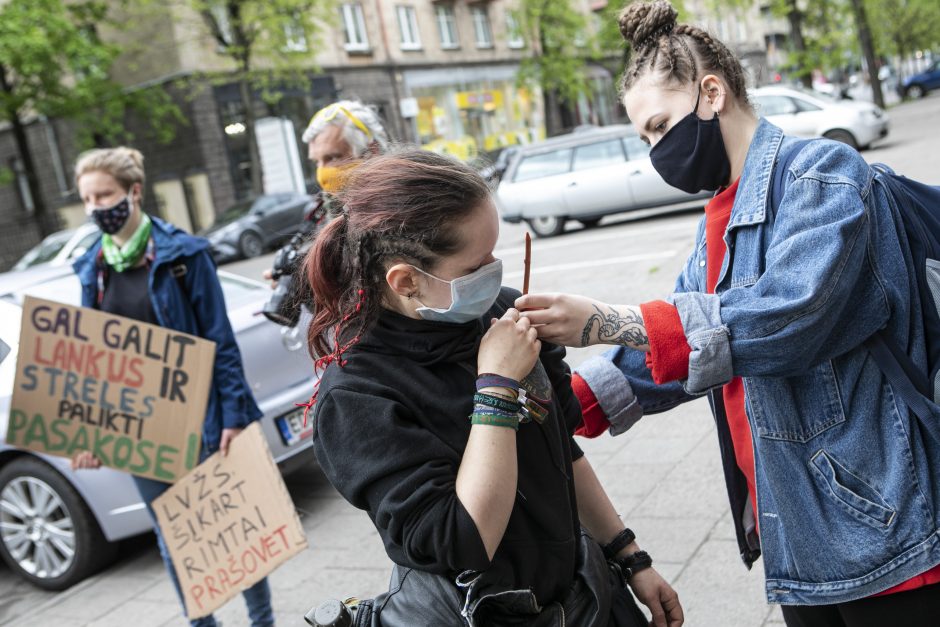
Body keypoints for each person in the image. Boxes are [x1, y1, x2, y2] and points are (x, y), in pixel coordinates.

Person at [514, 2, 940, 626]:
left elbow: (789, 317)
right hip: (795, 524)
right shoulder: (717, 214)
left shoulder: (824, 174)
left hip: (881, 521)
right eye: (644, 138)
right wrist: (564, 406)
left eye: (660, 126)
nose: (656, 152)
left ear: (711, 93)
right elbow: (675, 342)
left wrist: (604, 318)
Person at [304, 149, 683, 627]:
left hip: (585, 593)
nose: (494, 275)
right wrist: (497, 388)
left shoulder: (503, 314)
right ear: (405, 280)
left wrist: (629, 556)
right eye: (473, 267)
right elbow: (466, 538)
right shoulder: (357, 397)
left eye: (495, 254)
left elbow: (562, 452)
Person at [69, 147, 274, 627]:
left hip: (201, 418)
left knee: (229, 527)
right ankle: (202, 623)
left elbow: (220, 342)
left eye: (105, 194)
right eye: (87, 198)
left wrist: (233, 417)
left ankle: (262, 621)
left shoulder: (183, 255)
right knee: (172, 534)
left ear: (134, 192)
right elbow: (93, 360)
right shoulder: (91, 270)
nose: (96, 207)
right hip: (140, 426)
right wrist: (87, 432)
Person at [263, 99, 389, 286]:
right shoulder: (331, 206)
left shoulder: (399, 206)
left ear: (371, 152)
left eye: (332, 157)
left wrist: (311, 283)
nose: (322, 173)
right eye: (317, 162)